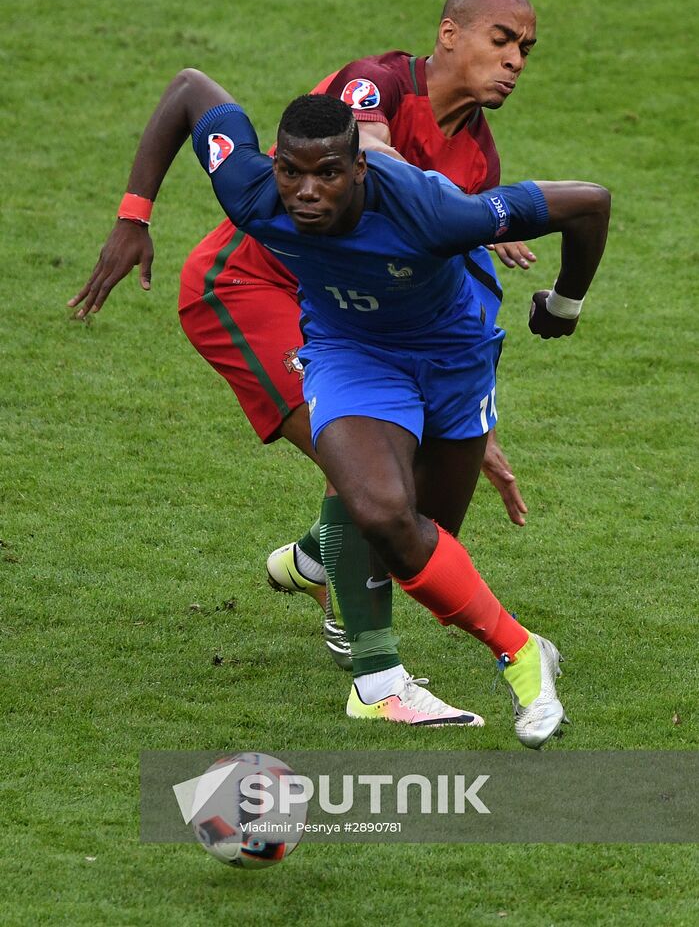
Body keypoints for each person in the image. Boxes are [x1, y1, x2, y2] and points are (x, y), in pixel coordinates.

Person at [72, 66, 610, 747]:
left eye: (326, 173)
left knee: (421, 539)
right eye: (290, 173)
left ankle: (316, 557)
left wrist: (564, 305)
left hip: (450, 352)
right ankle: (518, 653)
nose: (304, 193)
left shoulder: (435, 211)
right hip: (349, 349)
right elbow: (186, 88)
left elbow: (589, 203)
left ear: (359, 167)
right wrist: (133, 215)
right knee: (382, 515)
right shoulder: (249, 191)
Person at [68, 0, 539, 674]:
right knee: (364, 467)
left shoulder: (476, 157)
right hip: (248, 287)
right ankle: (370, 664)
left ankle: (320, 558)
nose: (515, 61)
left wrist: (474, 423)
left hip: (347, 318)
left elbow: (455, 298)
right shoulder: (374, 86)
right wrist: (134, 213)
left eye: (526, 50)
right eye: (501, 40)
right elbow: (375, 157)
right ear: (449, 35)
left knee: (392, 480)